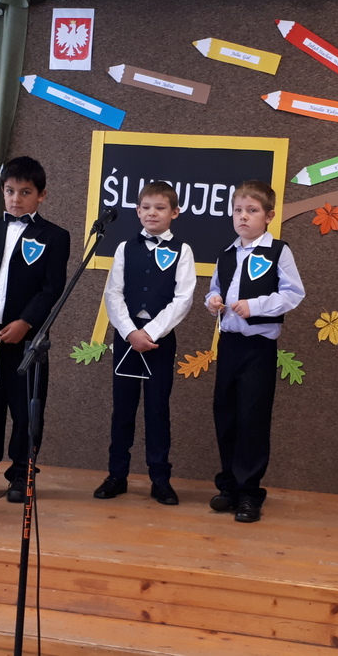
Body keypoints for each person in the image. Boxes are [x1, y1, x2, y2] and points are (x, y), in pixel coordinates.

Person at [0, 157, 71, 503]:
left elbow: (51, 288)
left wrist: (26, 322)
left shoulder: (55, 237)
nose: (16, 199)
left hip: (28, 340)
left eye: (25, 192)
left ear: (42, 195)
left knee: (27, 410)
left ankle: (22, 472)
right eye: (10, 191)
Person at [205, 180, 305, 523]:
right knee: (226, 413)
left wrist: (256, 305)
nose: (243, 217)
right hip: (229, 345)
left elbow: (293, 293)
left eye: (252, 210)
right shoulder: (226, 254)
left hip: (258, 348)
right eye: (238, 210)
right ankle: (229, 487)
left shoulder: (278, 251)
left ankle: (249, 493)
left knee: (252, 417)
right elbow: (214, 289)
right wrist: (213, 301)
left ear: (269, 216)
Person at [94, 181, 196, 505]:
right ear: (138, 211)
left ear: (174, 212)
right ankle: (116, 475)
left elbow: (183, 298)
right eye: (147, 207)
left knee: (157, 409)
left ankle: (160, 478)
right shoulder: (125, 248)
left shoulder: (183, 250)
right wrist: (130, 332)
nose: (153, 213)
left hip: (159, 341)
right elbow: (113, 293)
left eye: (160, 207)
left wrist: (150, 332)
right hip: (127, 338)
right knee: (122, 409)